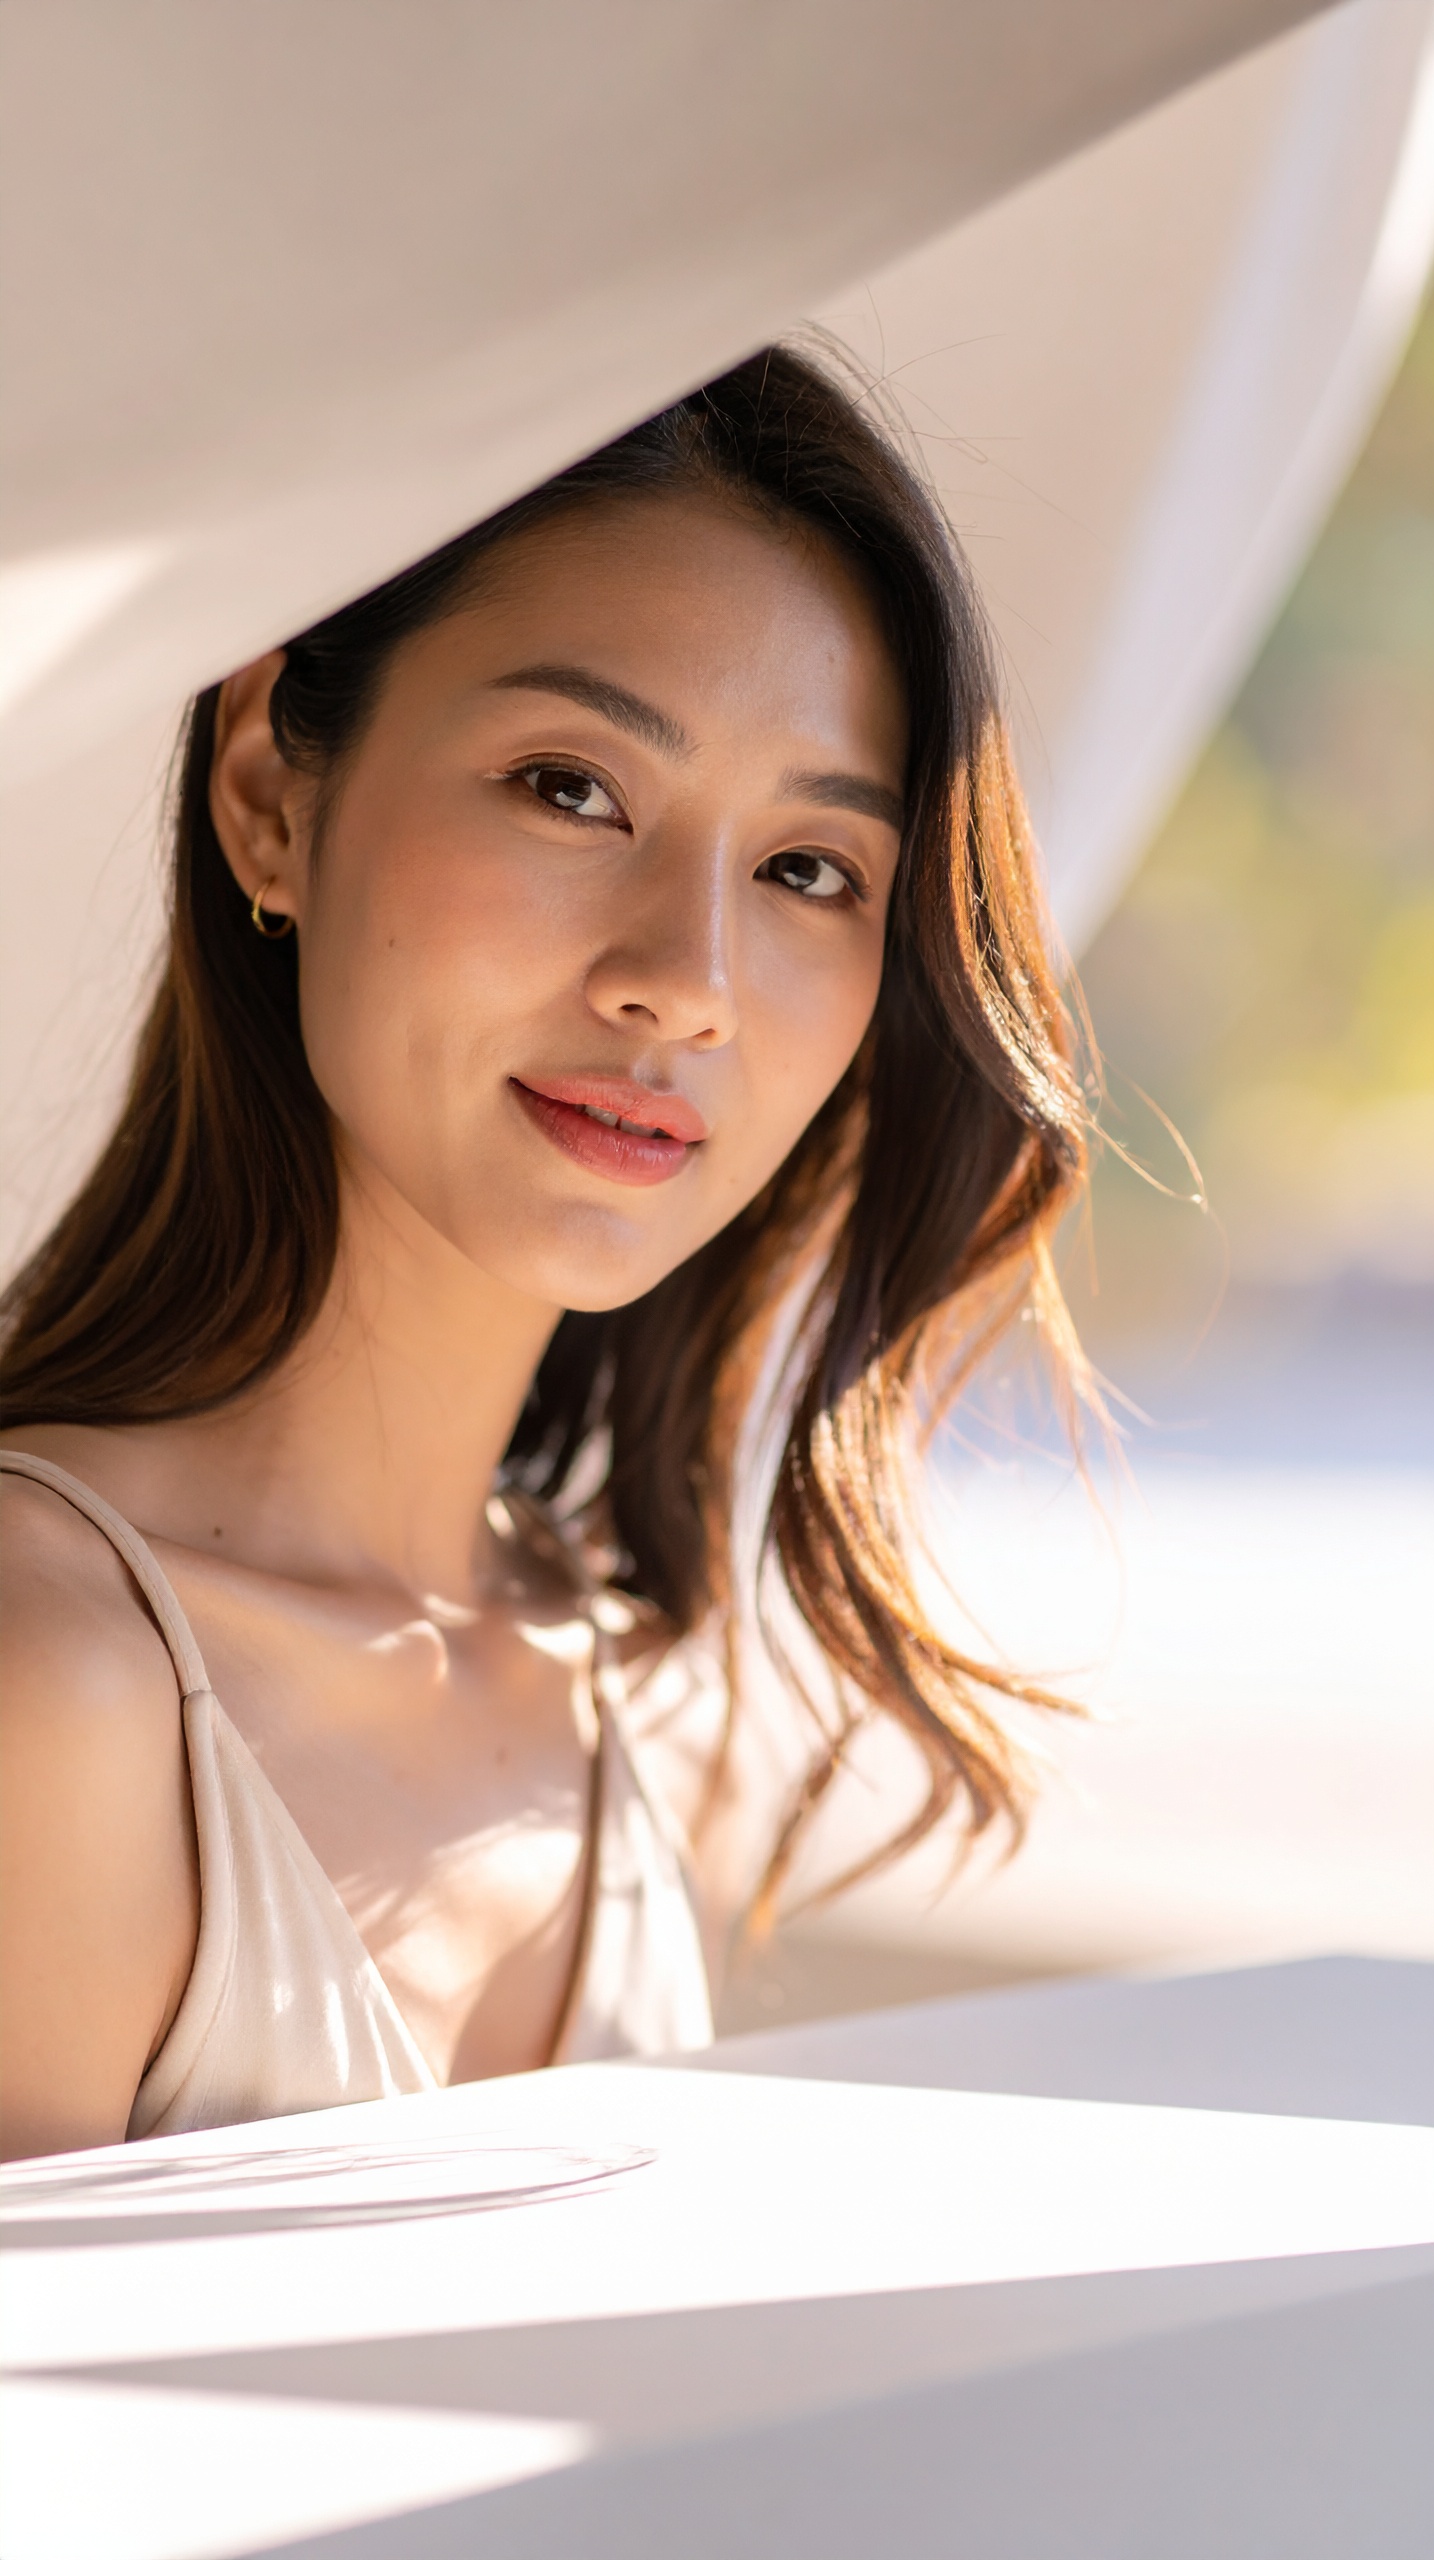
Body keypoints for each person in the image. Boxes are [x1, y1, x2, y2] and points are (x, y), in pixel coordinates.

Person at [0, 349, 1090, 2163]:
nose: (688, 982)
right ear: (270, 792)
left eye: (809, 870)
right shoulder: (50, 1684)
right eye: (571, 787)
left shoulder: (638, 1687)